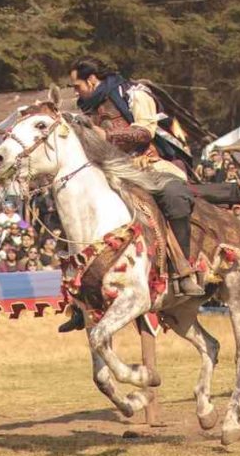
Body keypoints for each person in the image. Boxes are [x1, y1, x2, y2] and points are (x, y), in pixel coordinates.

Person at [70, 57, 203, 298]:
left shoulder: (135, 94)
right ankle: (86, 288)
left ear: (91, 80)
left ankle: (183, 270)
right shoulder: (85, 108)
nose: (75, 91)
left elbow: (145, 131)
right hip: (106, 170)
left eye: (77, 85)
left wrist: (105, 134)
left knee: (174, 196)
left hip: (144, 164)